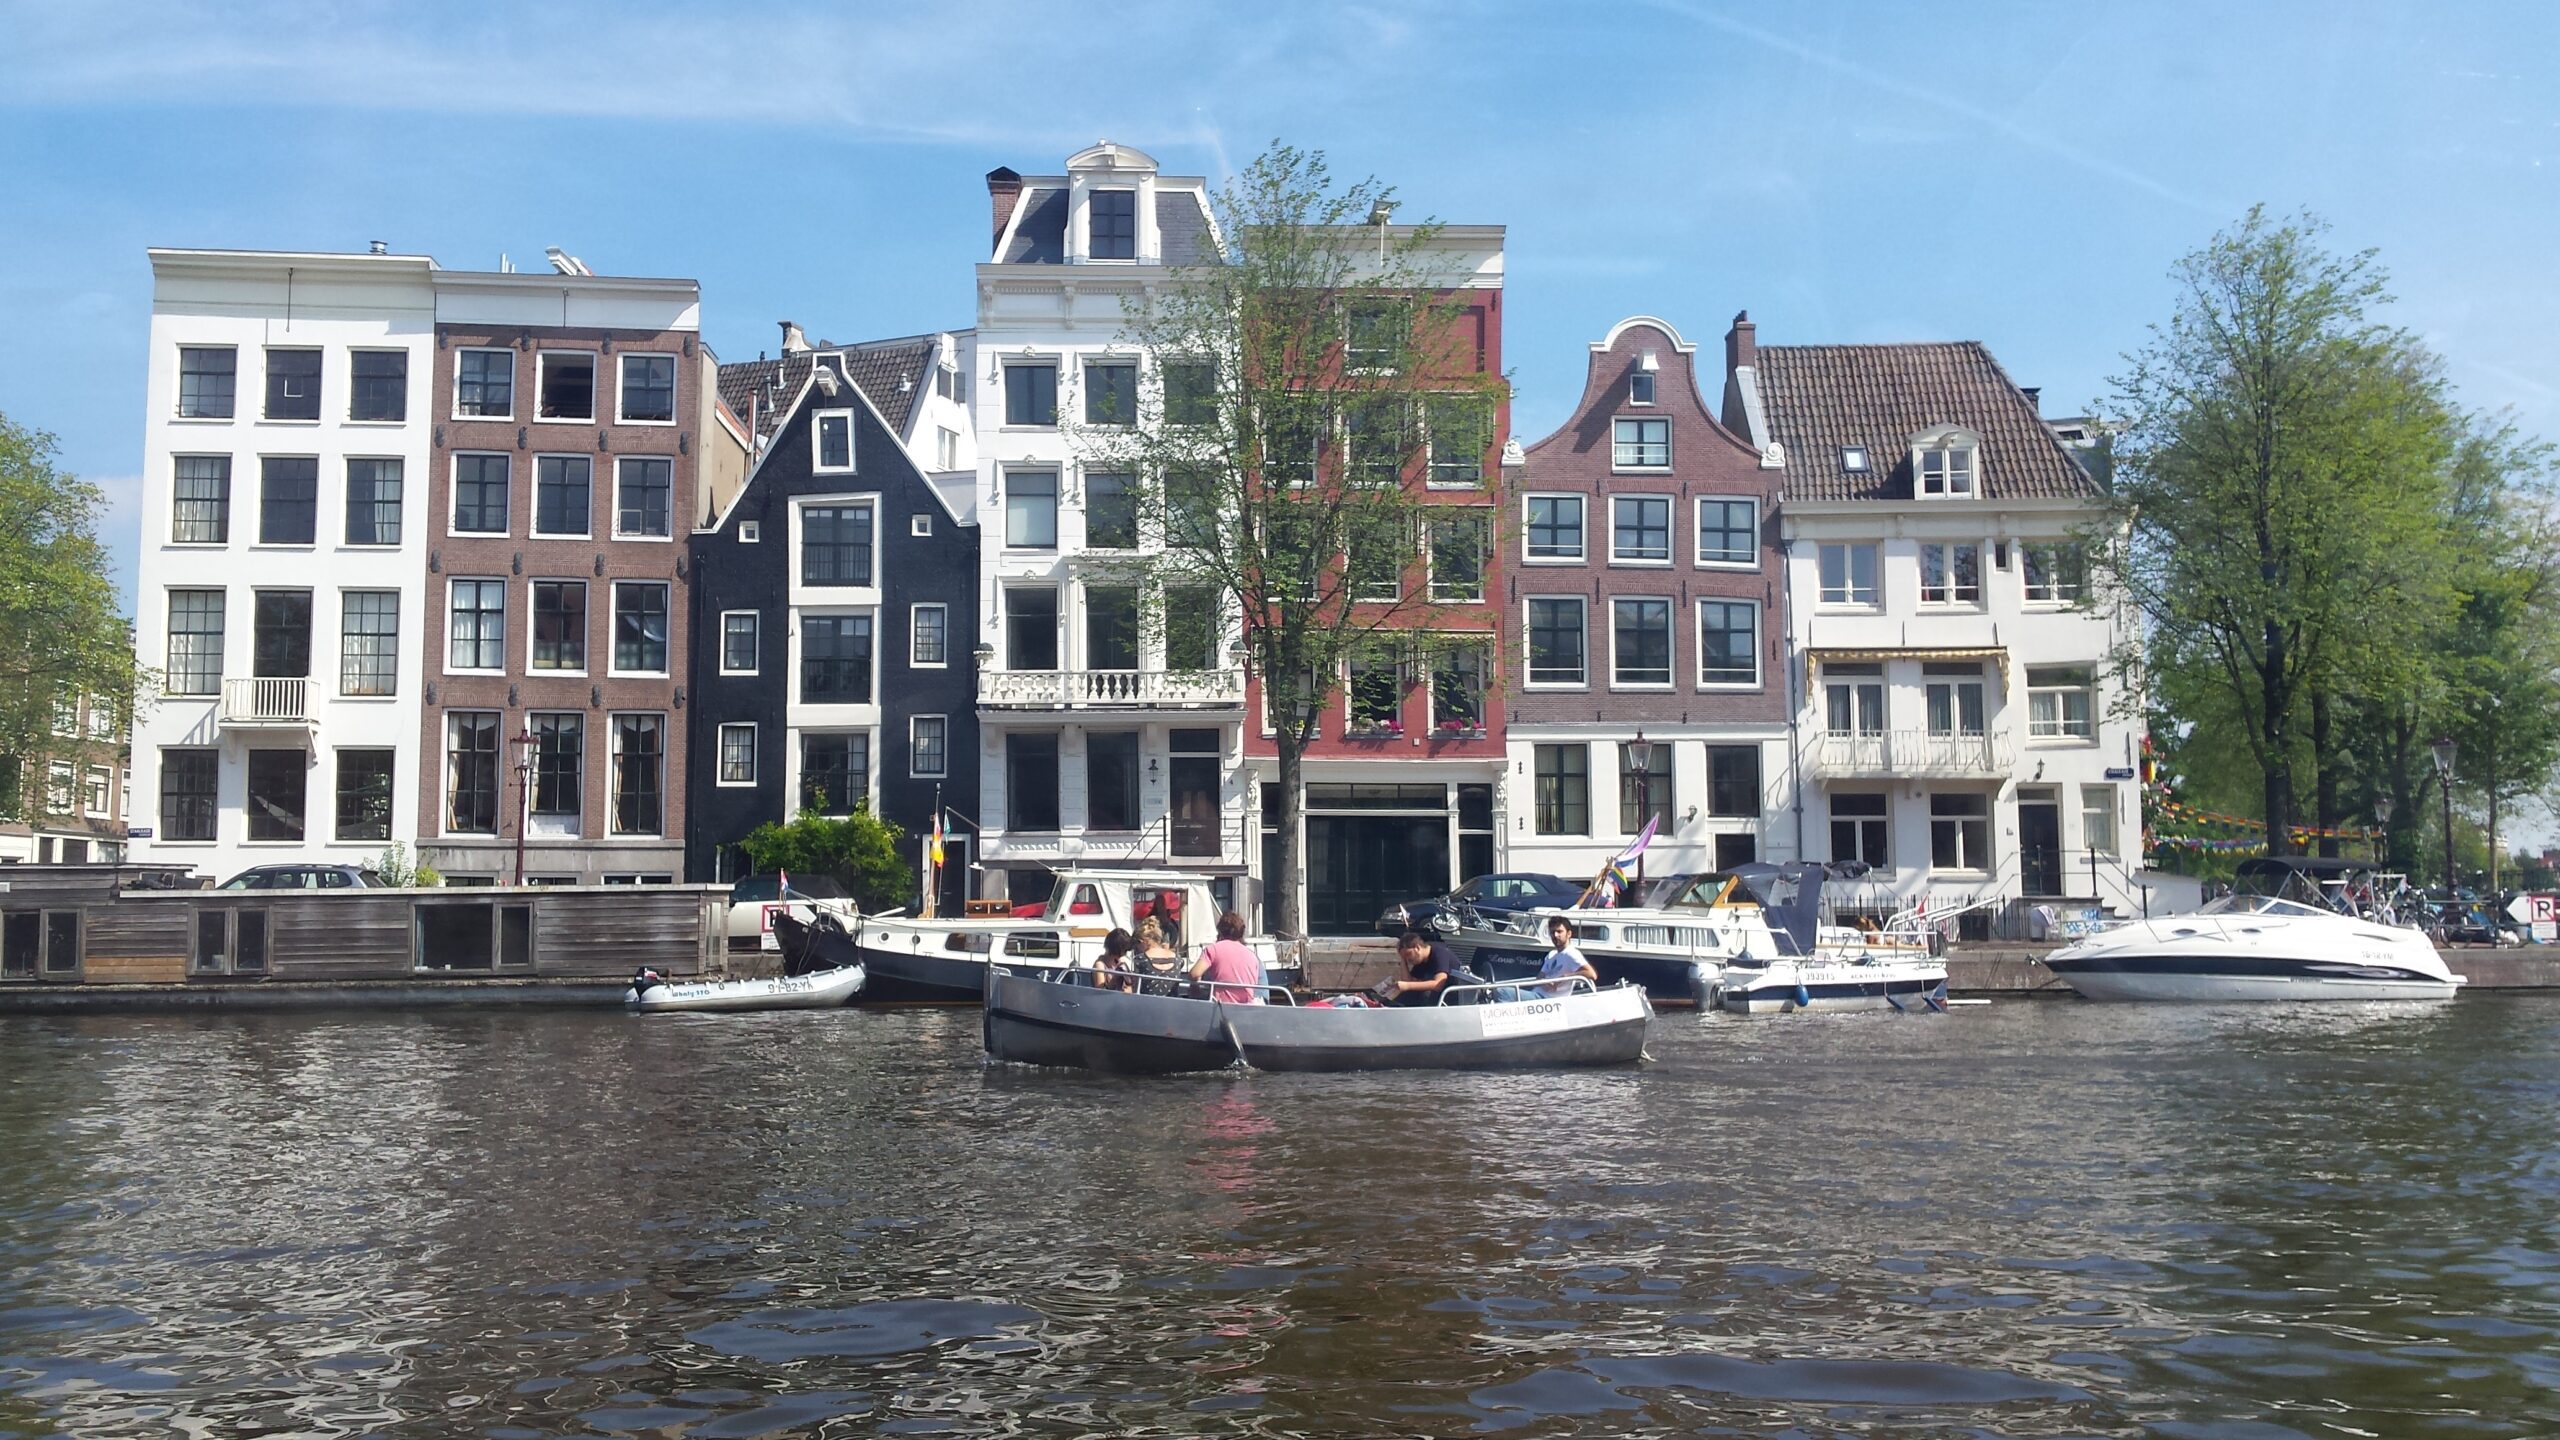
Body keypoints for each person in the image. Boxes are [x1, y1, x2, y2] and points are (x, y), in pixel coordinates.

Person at [1187, 911, 1267, 1004]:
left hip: (1221, 1007)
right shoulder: (1252, 956)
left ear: (1220, 931)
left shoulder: (1213, 949)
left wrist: (1195, 989)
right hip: (1247, 1008)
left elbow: (1194, 974)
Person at [1384, 929, 1461, 1007]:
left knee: (1422, 994)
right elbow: (1408, 980)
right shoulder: (1420, 959)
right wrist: (1403, 959)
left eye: (1408, 954)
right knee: (1408, 994)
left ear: (1417, 947)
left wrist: (1407, 986)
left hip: (1450, 995)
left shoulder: (1439, 953)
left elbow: (1438, 984)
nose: (1408, 960)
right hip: (1438, 994)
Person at [1536, 916, 1600, 998]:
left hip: (1547, 998)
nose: (1555, 935)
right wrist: (1545, 982)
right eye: (1552, 932)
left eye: (1559, 932)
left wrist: (1565, 977)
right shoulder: (1551, 954)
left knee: (1513, 993)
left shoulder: (1571, 953)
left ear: (1569, 934)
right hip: (1537, 996)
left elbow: (1591, 974)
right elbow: (1540, 976)